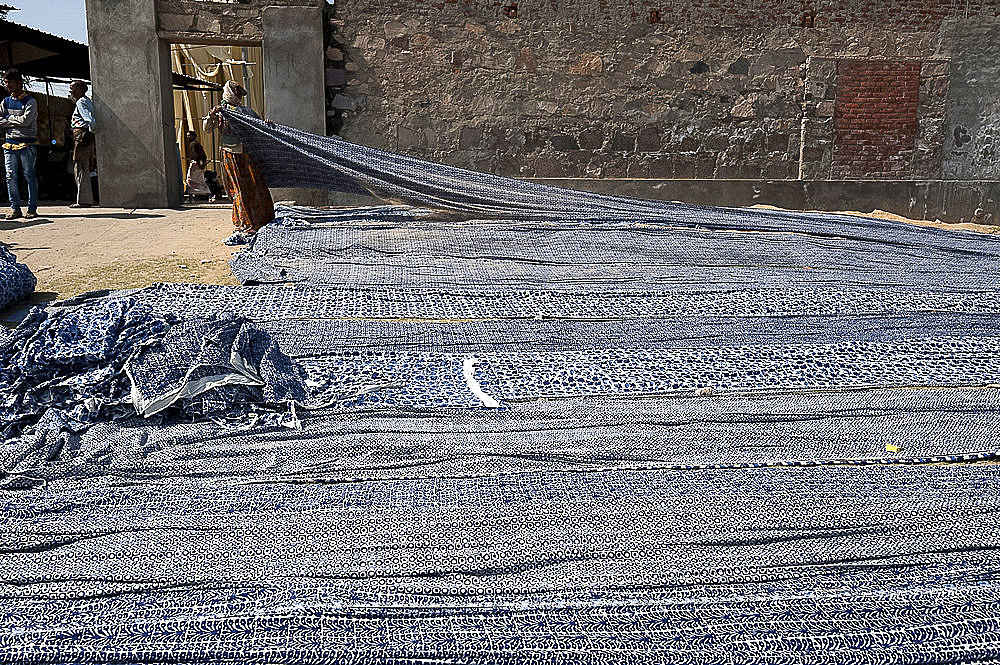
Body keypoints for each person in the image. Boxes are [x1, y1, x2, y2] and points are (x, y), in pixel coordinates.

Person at [204, 81, 273, 244]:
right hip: (230, 153)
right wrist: (212, 115)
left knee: (255, 185)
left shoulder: (245, 111)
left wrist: (267, 124)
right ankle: (245, 221)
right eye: (236, 93)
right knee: (238, 189)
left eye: (239, 94)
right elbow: (207, 128)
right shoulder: (220, 112)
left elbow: (259, 126)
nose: (238, 96)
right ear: (230, 93)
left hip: (246, 153)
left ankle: (259, 218)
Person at [0, 69, 39, 220]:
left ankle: (32, 208)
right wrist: (14, 121)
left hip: (27, 144)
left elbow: (26, 121)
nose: (7, 85)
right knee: (10, 176)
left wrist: (8, 120)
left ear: (19, 83)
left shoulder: (31, 102)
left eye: (9, 82)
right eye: (6, 82)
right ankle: (15, 208)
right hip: (9, 144)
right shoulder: (5, 101)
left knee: (29, 175)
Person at [68, 79, 96, 208]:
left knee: (80, 167)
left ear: (79, 89)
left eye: (72, 88)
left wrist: (89, 133)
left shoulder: (81, 102)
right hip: (85, 136)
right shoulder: (85, 101)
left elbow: (89, 118)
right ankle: (85, 199)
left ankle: (83, 200)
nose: (70, 90)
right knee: (84, 167)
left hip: (82, 136)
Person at [184, 130, 211, 198]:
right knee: (199, 180)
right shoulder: (196, 144)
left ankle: (191, 197)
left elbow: (196, 155)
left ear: (193, 136)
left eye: (189, 135)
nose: (188, 137)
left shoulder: (193, 144)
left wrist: (199, 164)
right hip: (198, 163)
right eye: (187, 136)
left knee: (190, 180)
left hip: (196, 164)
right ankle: (209, 195)